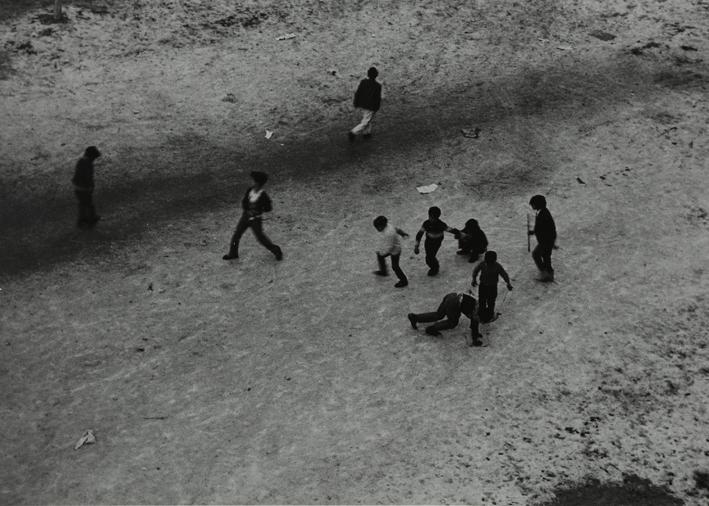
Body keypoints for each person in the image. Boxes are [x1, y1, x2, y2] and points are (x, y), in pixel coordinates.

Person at [223, 171, 283, 261]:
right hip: (246, 217)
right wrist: (248, 210)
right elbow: (244, 202)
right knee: (237, 235)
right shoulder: (250, 190)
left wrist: (258, 211)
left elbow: (268, 208)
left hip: (255, 219)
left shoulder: (263, 195)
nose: (254, 184)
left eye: (255, 182)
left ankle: (276, 250)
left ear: (258, 183)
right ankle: (233, 253)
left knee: (260, 238)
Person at [408, 292, 483, 346]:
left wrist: (475, 333)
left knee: (439, 314)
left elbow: (474, 324)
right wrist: (475, 339)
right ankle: (432, 329)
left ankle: (415, 317)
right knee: (452, 323)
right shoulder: (476, 313)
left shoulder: (479, 305)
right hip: (454, 304)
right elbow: (474, 324)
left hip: (451, 296)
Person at [414, 206, 459, 276]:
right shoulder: (426, 223)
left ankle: (435, 267)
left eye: (433, 218)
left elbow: (451, 230)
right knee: (429, 256)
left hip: (436, 243)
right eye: (430, 217)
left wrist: (461, 234)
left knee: (430, 257)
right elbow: (419, 234)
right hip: (428, 241)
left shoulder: (441, 225)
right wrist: (416, 246)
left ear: (437, 217)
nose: (431, 219)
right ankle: (434, 266)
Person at [472, 250, 513, 323]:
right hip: (483, 286)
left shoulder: (497, 266)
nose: (489, 263)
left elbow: (504, 275)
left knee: (491, 301)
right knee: (482, 301)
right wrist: (474, 279)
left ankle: (489, 314)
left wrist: (508, 283)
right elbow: (476, 271)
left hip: (492, 287)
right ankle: (482, 314)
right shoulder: (483, 264)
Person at [373, 215, 408, 288]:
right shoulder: (388, 226)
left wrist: (382, 253)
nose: (377, 229)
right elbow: (397, 229)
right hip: (393, 247)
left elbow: (389, 247)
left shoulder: (389, 233)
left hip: (395, 250)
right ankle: (383, 271)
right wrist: (402, 233)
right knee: (380, 256)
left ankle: (404, 281)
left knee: (395, 266)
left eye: (377, 227)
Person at [71, 146, 101, 228]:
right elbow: (88, 177)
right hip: (84, 187)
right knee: (88, 203)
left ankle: (84, 219)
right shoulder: (88, 164)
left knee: (82, 203)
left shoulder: (81, 161)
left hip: (77, 186)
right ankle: (89, 219)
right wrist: (90, 186)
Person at [528, 194, 556, 281]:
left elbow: (543, 228)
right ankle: (549, 273)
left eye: (533, 204)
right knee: (546, 256)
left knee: (536, 254)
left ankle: (545, 274)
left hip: (546, 240)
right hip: (547, 239)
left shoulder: (543, 214)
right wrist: (533, 232)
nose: (532, 206)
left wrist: (534, 232)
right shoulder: (542, 212)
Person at [349, 66, 382, 141]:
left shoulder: (363, 82)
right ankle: (353, 132)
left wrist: (356, 102)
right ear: (376, 75)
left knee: (367, 119)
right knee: (366, 121)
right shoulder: (378, 86)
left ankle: (367, 133)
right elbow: (377, 98)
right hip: (370, 106)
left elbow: (358, 93)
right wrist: (377, 107)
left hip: (362, 104)